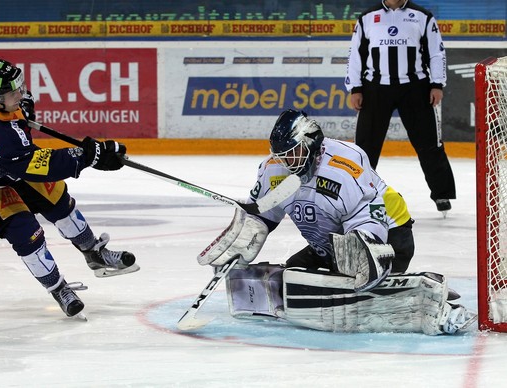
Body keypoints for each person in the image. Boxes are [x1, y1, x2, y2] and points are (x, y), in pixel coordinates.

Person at [197, 109, 474, 335]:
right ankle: (370, 284)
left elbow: (369, 212)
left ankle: (421, 301)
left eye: (292, 153)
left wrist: (363, 252)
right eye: (281, 155)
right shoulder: (273, 170)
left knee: (350, 282)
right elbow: (263, 213)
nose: (285, 161)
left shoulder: (345, 164)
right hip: (329, 243)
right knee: (295, 276)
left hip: (388, 235)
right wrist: (248, 231)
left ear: (311, 144)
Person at [0, 58, 139, 318]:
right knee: (26, 233)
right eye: (13, 93)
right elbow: (41, 165)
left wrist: (20, 106)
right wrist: (90, 157)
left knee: (59, 202)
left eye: (19, 86)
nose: (21, 94)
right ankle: (57, 287)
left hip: (11, 165)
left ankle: (94, 253)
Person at [345, 0, 456, 215]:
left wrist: (437, 84)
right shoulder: (367, 17)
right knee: (366, 145)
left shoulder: (422, 16)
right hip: (376, 89)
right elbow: (355, 54)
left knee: (429, 142)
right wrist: (355, 88)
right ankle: (356, 193)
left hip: (415, 88)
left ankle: (442, 193)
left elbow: (436, 52)